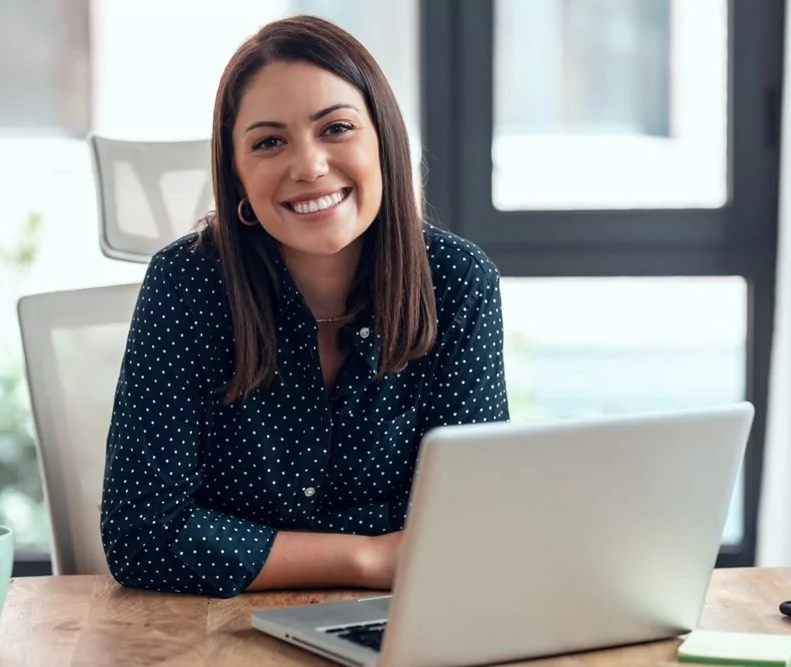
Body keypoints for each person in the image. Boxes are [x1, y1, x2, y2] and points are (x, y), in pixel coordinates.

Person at [99, 14, 509, 599]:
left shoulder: (456, 282)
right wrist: (370, 557)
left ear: (383, 142)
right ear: (238, 176)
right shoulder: (185, 283)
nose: (309, 165)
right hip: (208, 631)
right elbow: (143, 537)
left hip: (407, 622)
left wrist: (238, 541)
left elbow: (470, 519)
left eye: (336, 128)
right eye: (269, 142)